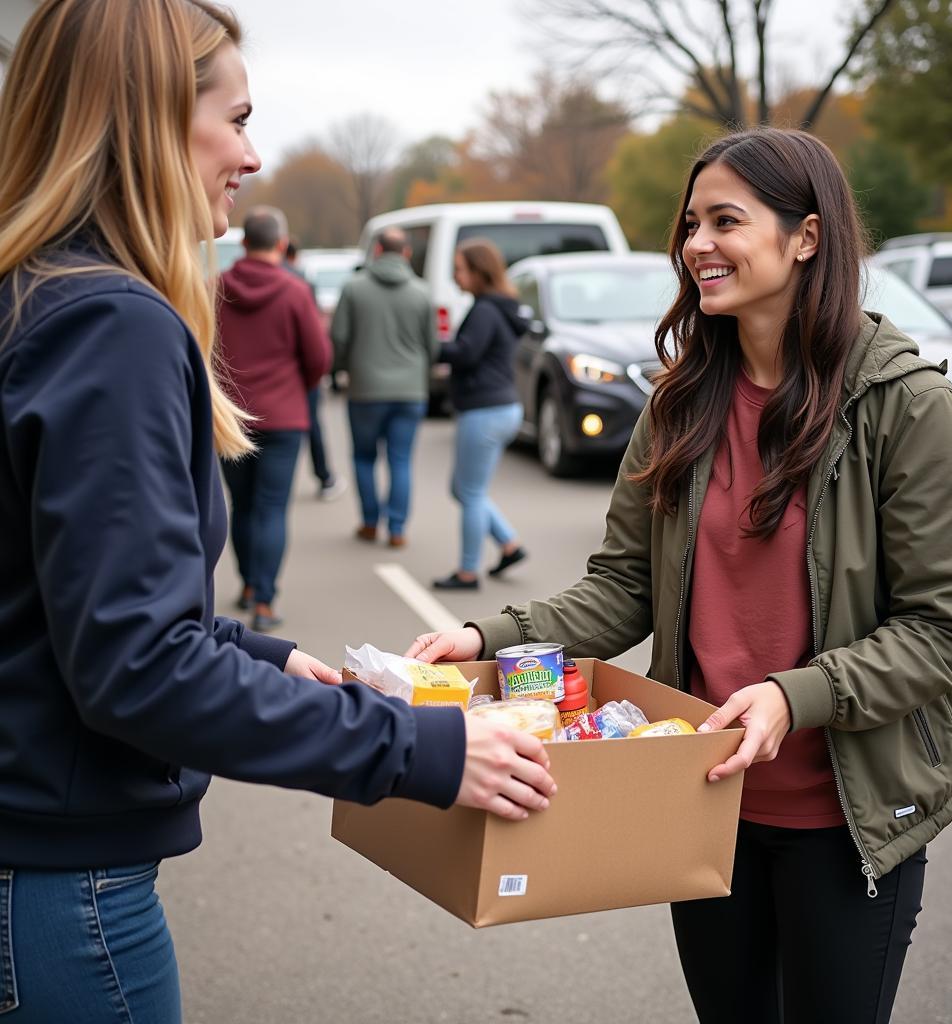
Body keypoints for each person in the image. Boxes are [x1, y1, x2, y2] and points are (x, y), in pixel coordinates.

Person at [0, 3, 554, 1021]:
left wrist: (258, 656)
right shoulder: (107, 323)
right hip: (59, 893)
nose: (252, 156)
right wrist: (422, 750)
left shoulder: (35, 294)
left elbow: (54, 604)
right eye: (238, 118)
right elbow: (136, 665)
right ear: (149, 118)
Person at [406, 128, 952, 1023]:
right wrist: (486, 638)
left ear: (806, 237)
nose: (697, 245)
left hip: (848, 820)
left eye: (726, 220)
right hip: (701, 803)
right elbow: (622, 586)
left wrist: (795, 696)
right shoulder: (681, 403)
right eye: (690, 225)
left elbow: (945, 630)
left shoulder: (910, 407)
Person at [218, 206, 331, 631]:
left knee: (241, 504)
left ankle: (248, 584)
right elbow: (318, 358)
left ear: (244, 242)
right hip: (283, 416)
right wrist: (293, 387)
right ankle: (264, 601)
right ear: (281, 245)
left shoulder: (215, 288)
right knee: (271, 508)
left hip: (229, 416)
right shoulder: (295, 290)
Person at [431, 238, 528, 590]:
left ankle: (468, 572)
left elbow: (466, 353)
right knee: (463, 488)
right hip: (501, 407)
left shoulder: (486, 310)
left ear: (478, 271)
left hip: (485, 410)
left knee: (469, 492)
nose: (455, 276)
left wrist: (431, 346)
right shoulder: (499, 306)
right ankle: (509, 544)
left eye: (459, 269)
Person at [330, 227, 435, 547]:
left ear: (376, 251)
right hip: (410, 390)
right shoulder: (422, 292)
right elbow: (432, 345)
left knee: (364, 457)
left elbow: (339, 338)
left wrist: (345, 368)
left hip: (366, 389)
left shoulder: (353, 289)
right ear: (406, 254)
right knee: (400, 459)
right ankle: (398, 528)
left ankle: (370, 521)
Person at [284, 236, 343, 502]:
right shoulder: (301, 283)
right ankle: (324, 476)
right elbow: (316, 341)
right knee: (312, 426)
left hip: (254, 379)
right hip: (299, 372)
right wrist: (314, 376)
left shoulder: (228, 281)